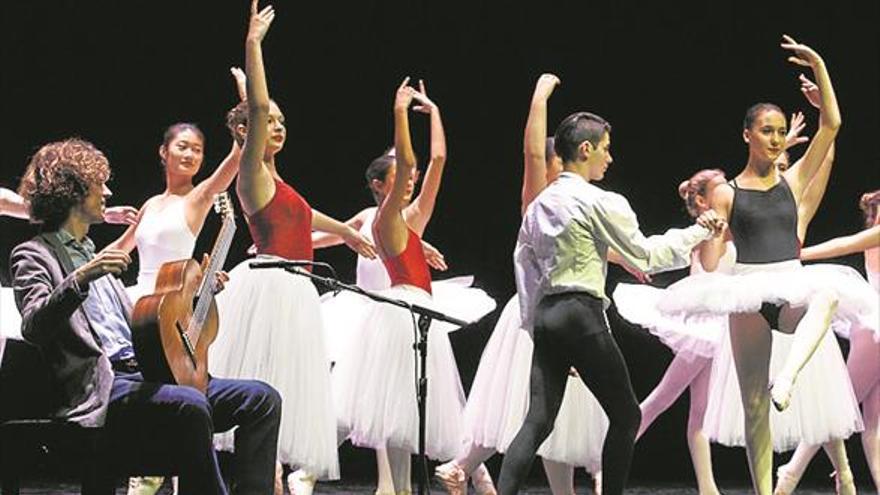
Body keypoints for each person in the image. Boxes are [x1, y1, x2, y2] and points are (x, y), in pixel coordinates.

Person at [654, 36, 876, 495]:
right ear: (747, 135)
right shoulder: (727, 192)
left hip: (790, 286)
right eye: (767, 131)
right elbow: (714, 263)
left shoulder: (792, 182)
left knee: (829, 295)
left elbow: (832, 125)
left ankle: (789, 375)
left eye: (779, 132)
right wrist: (709, 229)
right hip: (746, 291)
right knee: (754, 406)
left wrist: (818, 67)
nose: (776, 139)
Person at [10, 137, 281, 494]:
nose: (107, 193)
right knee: (192, 403)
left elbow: (146, 325)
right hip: (105, 385)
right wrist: (82, 277)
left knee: (261, 398)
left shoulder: (95, 254)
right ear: (73, 193)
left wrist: (199, 296)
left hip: (148, 373)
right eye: (98, 185)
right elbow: (34, 326)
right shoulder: (34, 255)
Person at [497, 107, 726, 494]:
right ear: (585, 149)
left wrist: (535, 324)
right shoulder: (598, 200)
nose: (610, 157)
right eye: (606, 148)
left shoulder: (538, 207)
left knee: (538, 421)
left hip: (548, 314)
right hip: (580, 314)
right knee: (626, 416)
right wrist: (698, 231)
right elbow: (647, 255)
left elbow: (525, 268)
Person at [208, 0, 375, 486]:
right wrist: (254, 45)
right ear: (246, 132)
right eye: (269, 123)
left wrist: (345, 231)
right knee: (268, 388)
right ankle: (263, 481)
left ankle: (273, 478)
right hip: (272, 287)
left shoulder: (278, 182)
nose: (276, 126)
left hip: (295, 286)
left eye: (282, 122)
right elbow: (257, 109)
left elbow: (302, 217)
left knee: (284, 394)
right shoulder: (251, 173)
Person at [309, 83, 497, 494]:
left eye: (410, 178)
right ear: (382, 186)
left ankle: (401, 486)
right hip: (405, 312)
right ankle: (326, 471)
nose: (409, 181)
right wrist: (402, 112)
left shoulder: (408, 221)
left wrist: (433, 111)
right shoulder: (392, 218)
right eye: (401, 178)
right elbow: (422, 158)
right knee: (395, 407)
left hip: (411, 309)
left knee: (401, 415)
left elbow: (438, 160)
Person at [437, 74, 608, 495]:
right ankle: (462, 465)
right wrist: (540, 97)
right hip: (541, 312)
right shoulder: (540, 200)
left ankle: (463, 467)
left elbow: (597, 245)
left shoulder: (583, 202)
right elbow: (532, 152)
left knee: (553, 415)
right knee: (529, 408)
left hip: (573, 310)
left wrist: (631, 260)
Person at [774, 189, 880, 494]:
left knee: (873, 422)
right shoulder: (875, 234)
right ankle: (791, 471)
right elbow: (842, 244)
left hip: (872, 327)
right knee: (838, 409)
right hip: (874, 329)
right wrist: (800, 254)